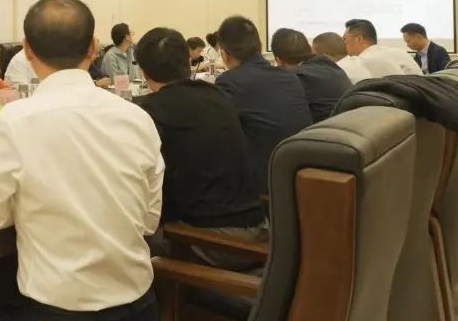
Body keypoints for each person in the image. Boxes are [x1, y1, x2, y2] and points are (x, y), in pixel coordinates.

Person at [0, 0, 164, 321]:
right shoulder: (137, 118)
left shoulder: (17, 120)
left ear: (27, 50)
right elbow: (150, 220)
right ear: (93, 47)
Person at [134, 28, 266, 269]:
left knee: (126, 241)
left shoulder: (151, 112)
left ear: (144, 73)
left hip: (211, 241)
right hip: (260, 227)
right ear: (188, 62)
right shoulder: (218, 96)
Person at [215, 16, 312, 194]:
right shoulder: (289, 77)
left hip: (264, 184)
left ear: (225, 55)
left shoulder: (229, 82)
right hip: (300, 174)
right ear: (260, 47)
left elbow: (219, 137)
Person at [270, 28, 352, 123]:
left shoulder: (295, 78)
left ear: (279, 61)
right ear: (310, 48)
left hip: (327, 130)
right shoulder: (329, 65)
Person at [342, 19, 422, 77]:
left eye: (345, 39)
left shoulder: (361, 61)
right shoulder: (399, 52)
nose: (343, 43)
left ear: (359, 39)